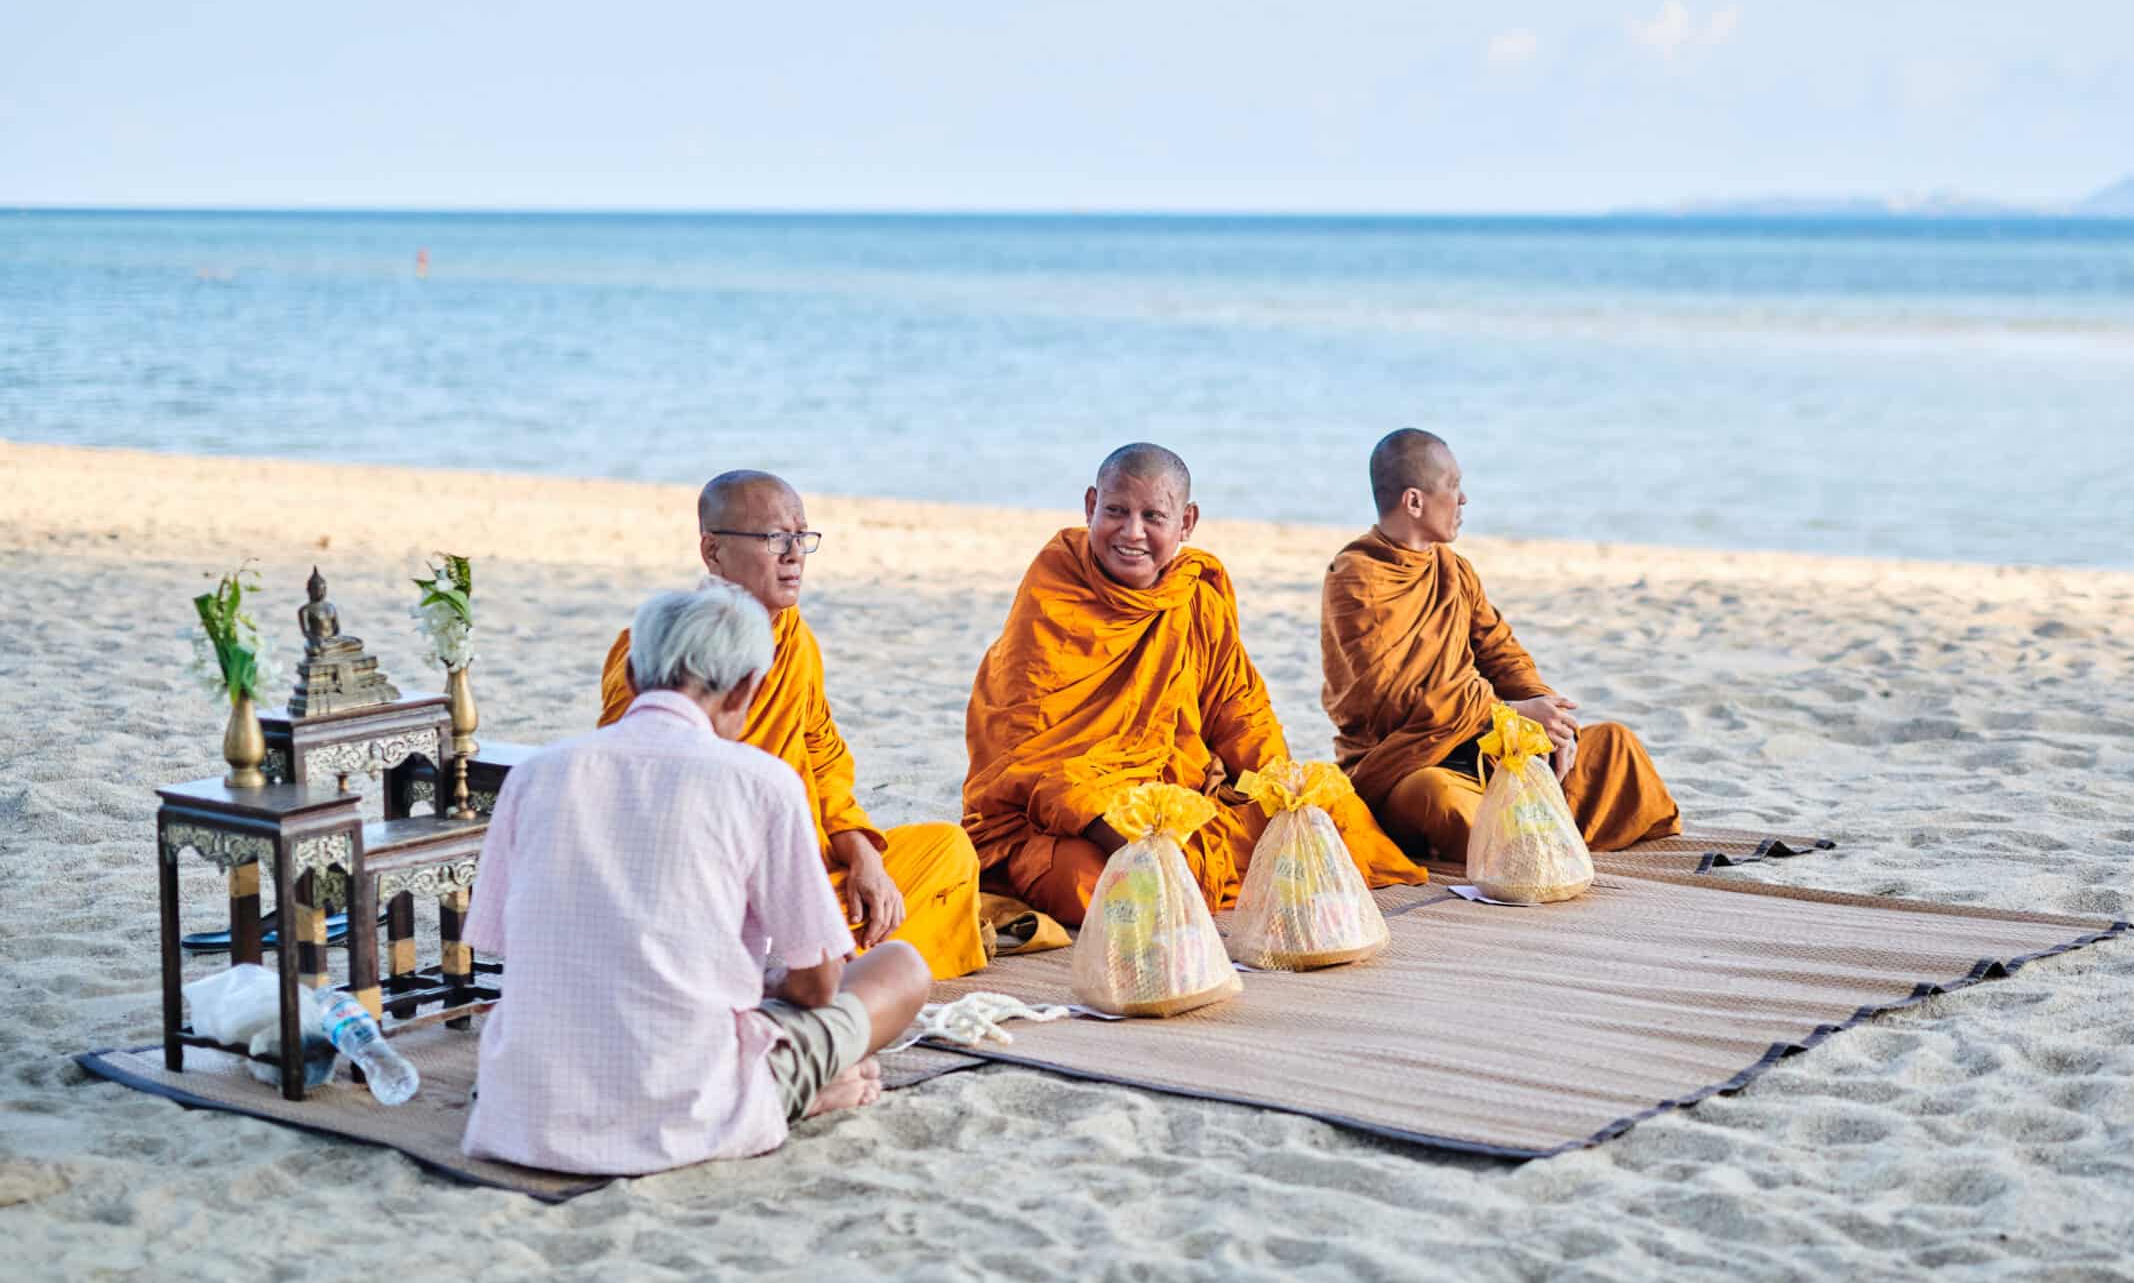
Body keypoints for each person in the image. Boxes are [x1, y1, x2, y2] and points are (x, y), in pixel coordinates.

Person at [464, 583, 930, 1175]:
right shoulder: (762, 782)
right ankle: (791, 1096)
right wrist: (766, 984)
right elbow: (817, 989)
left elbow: (503, 945)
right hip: (689, 1107)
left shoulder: (535, 774)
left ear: (630, 675)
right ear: (745, 689)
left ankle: (788, 1086)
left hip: (529, 1109)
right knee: (901, 969)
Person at [963, 443, 1425, 926]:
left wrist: (1280, 786)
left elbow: (1238, 709)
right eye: (1116, 511)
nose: (1132, 532)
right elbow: (1024, 759)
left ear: (1186, 523)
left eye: (1153, 517)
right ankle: (1159, 863)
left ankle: (1168, 864)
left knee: (1327, 811)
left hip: (1178, 794)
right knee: (1083, 880)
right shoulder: (1053, 592)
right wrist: (1110, 815)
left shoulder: (1193, 595)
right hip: (1073, 817)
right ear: (1090, 505)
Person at [600, 470, 986, 979]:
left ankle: (813, 960)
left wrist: (863, 854)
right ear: (713, 550)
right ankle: (817, 961)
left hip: (805, 869)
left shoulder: (794, 639)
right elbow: (631, 784)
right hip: (709, 881)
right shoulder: (660, 646)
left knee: (948, 850)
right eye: (776, 538)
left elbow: (822, 758)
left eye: (802, 537)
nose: (795, 555)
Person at [1320, 428, 1681, 863]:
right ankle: (1534, 836)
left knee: (1616, 748)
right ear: (1414, 502)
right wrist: (1508, 714)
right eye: (1453, 486)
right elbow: (1394, 697)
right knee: (1438, 798)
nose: (1464, 499)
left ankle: (1532, 834)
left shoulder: (1455, 571)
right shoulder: (1355, 579)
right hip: (1406, 763)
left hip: (1485, 747)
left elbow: (1500, 652)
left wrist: (1548, 718)